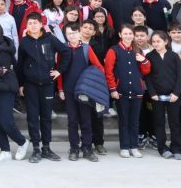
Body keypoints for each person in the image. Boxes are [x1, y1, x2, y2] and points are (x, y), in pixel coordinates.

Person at [16, 12, 67, 162]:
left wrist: (59, 70)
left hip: (47, 85)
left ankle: (46, 147)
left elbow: (66, 52)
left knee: (46, 118)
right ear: (27, 26)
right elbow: (20, 65)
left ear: (41, 24)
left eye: (35, 23)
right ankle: (36, 149)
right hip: (30, 86)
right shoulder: (24, 42)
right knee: (32, 118)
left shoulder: (50, 39)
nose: (33, 26)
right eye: (30, 23)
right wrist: (21, 84)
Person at [104, 24, 152, 158]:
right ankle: (124, 146)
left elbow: (146, 71)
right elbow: (109, 71)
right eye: (125, 34)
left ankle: (134, 146)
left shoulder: (138, 51)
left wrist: (144, 61)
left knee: (135, 120)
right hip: (121, 90)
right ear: (120, 35)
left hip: (137, 90)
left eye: (131, 34)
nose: (128, 36)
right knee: (124, 120)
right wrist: (113, 88)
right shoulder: (113, 50)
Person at [0, 22, 27, 162]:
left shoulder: (4, 49)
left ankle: (22, 142)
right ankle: (5, 150)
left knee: (6, 121)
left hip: (5, 88)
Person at [57, 22, 102, 162]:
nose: (72, 36)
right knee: (72, 120)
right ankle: (74, 148)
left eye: (74, 33)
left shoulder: (86, 49)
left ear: (80, 33)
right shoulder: (63, 49)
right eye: (69, 34)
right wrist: (60, 89)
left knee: (86, 120)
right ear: (66, 35)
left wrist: (95, 85)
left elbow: (99, 67)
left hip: (84, 91)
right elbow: (59, 71)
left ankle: (87, 148)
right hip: (69, 90)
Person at [147, 30, 181, 159]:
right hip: (157, 96)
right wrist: (152, 93)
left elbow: (180, 75)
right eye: (153, 42)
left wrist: (176, 93)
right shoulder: (150, 57)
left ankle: (177, 148)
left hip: (173, 95)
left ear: (166, 41)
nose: (156, 44)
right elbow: (148, 77)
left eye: (158, 41)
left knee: (175, 122)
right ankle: (162, 148)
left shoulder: (174, 56)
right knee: (159, 122)